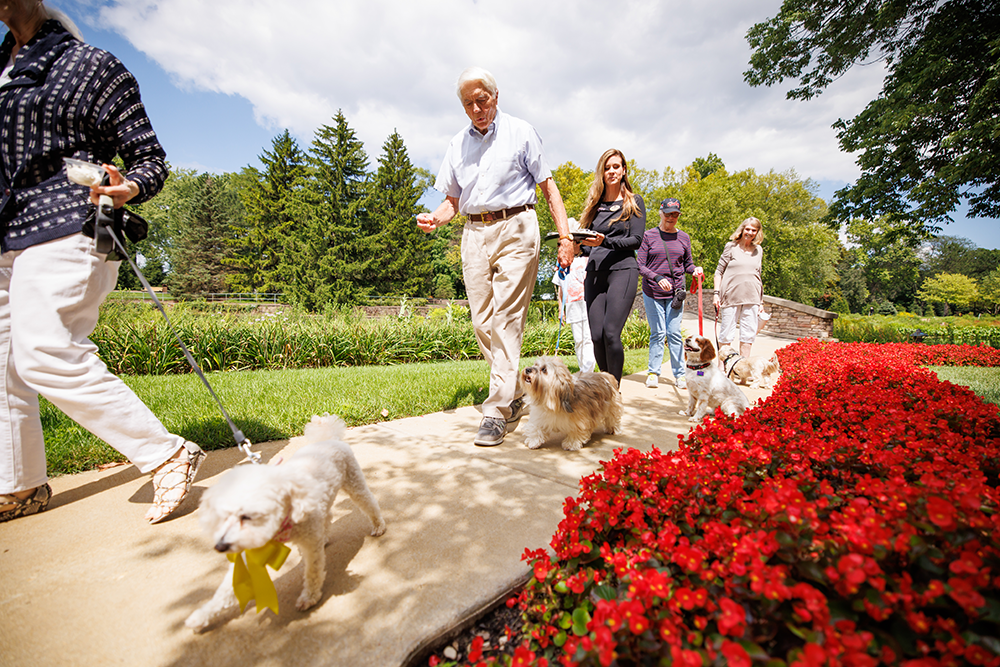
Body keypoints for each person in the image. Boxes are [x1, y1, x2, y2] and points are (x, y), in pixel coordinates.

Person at [0, 2, 205, 524]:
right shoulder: (2, 71)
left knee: (43, 350)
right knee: (3, 369)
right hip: (6, 235)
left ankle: (166, 452)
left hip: (68, 221)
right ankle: (17, 485)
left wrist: (128, 185)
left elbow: (150, 159)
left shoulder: (91, 65)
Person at [417, 66, 573, 447]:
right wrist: (435, 218)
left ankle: (496, 411)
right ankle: (517, 393)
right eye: (468, 104)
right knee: (482, 321)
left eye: (481, 100)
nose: (476, 109)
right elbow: (452, 202)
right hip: (473, 232)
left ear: (496, 96)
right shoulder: (457, 145)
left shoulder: (521, 132)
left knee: (506, 320)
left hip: (517, 227)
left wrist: (566, 236)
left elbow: (549, 190)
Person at [577, 149, 644, 386]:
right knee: (596, 337)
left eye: (616, 166)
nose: (611, 171)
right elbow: (589, 246)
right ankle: (604, 390)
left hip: (622, 271)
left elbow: (635, 241)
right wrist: (577, 248)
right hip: (595, 273)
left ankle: (614, 392)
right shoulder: (595, 205)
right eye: (607, 167)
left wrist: (604, 240)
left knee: (611, 333)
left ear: (624, 170)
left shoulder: (633, 202)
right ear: (601, 172)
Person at [637, 198, 704, 390]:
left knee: (674, 333)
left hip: (676, 293)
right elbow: (640, 265)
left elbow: (687, 264)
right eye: (667, 214)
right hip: (652, 292)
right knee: (658, 333)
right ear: (660, 213)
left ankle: (680, 375)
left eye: (675, 214)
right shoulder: (649, 236)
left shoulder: (684, 237)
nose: (671, 217)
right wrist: (657, 277)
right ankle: (653, 372)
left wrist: (695, 270)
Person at [713, 217, 764, 358]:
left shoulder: (758, 250)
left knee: (748, 335)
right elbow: (718, 272)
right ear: (742, 230)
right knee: (726, 334)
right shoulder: (731, 247)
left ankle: (743, 370)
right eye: (747, 229)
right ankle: (723, 369)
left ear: (757, 232)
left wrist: (761, 302)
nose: (750, 232)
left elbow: (758, 275)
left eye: (754, 230)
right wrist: (716, 294)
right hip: (730, 296)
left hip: (752, 297)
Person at [551, 219, 595, 373]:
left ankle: (588, 370)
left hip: (586, 303)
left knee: (588, 338)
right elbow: (561, 290)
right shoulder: (562, 265)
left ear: (578, 244)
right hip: (571, 306)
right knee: (578, 340)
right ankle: (583, 368)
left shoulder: (586, 261)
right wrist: (560, 310)